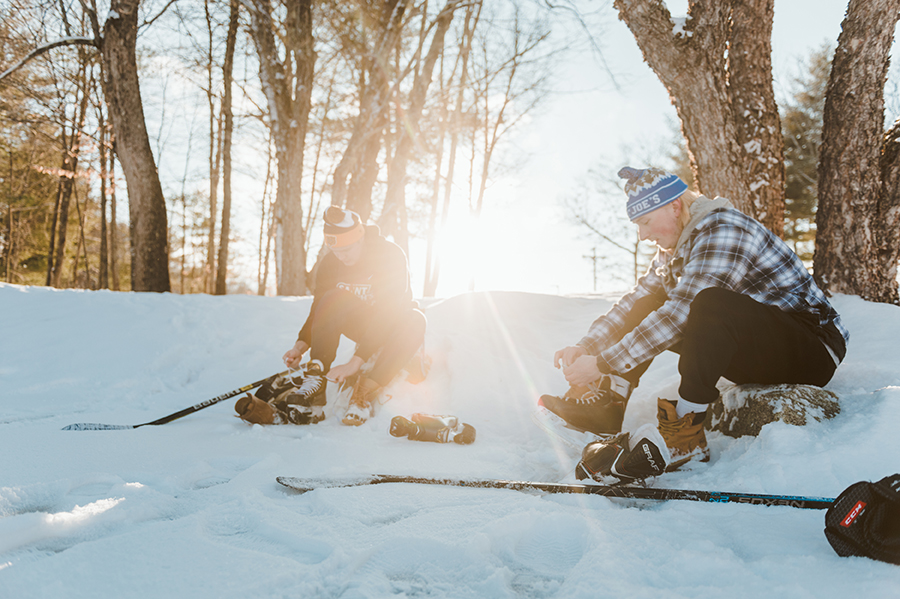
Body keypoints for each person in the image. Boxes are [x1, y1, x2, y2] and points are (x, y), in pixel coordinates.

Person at [540, 166, 849, 481]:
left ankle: (685, 435)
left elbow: (680, 313)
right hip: (757, 351)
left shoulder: (723, 228)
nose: (643, 235)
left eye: (645, 222)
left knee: (709, 302)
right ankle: (607, 406)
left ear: (675, 207)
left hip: (811, 347)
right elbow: (634, 303)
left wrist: (603, 363)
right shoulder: (672, 252)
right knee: (649, 302)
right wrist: (587, 345)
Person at [238, 206, 426, 426]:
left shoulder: (389, 255)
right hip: (364, 327)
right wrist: (300, 346)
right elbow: (321, 308)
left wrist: (355, 362)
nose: (340, 256)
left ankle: (364, 391)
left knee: (416, 319)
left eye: (346, 250)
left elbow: (388, 312)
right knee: (333, 297)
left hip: (396, 327)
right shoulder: (331, 262)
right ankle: (316, 378)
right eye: (336, 251)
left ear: (361, 238)